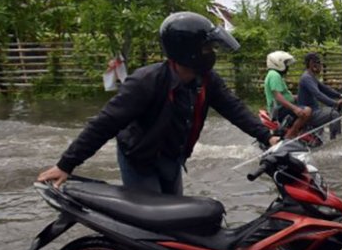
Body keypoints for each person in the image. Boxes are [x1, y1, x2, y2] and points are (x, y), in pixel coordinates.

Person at [37, 12, 279, 195]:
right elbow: (105, 124)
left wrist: (267, 137)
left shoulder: (206, 79)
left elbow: (233, 108)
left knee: (175, 222)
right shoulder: (146, 82)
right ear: (189, 51)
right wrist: (66, 165)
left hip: (173, 157)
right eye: (206, 47)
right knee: (151, 224)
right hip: (140, 159)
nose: (211, 52)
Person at [263, 51, 311, 140]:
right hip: (279, 110)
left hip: (280, 108)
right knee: (307, 111)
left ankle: (303, 133)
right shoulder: (274, 75)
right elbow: (278, 96)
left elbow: (284, 95)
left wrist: (300, 96)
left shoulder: (274, 75)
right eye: (285, 63)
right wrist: (295, 108)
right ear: (278, 63)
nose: (287, 66)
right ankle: (289, 136)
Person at [297, 52, 342, 140]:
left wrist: (341, 95)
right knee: (334, 114)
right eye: (319, 63)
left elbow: (325, 89)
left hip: (315, 110)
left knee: (331, 111)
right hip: (311, 113)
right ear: (311, 63)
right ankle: (335, 142)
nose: (321, 66)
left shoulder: (311, 77)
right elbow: (318, 94)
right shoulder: (306, 78)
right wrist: (335, 103)